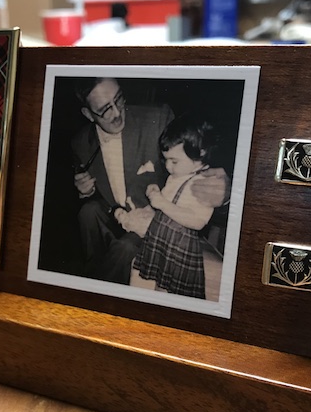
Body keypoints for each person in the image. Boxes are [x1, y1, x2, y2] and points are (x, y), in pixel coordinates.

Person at [71, 77, 229, 285]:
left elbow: (198, 160)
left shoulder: (158, 118)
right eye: (104, 110)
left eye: (118, 99)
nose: (117, 113)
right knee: (87, 212)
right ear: (88, 114)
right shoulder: (80, 143)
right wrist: (85, 192)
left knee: (125, 249)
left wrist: (226, 191)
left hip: (153, 220)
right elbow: (90, 195)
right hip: (115, 215)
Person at [132, 115, 218, 299]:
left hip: (178, 248)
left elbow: (197, 221)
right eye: (166, 160)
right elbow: (170, 202)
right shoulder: (178, 174)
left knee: (168, 292)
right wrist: (158, 194)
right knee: (150, 284)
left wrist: (162, 203)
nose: (168, 167)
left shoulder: (204, 184)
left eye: (174, 161)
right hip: (163, 241)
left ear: (200, 154)